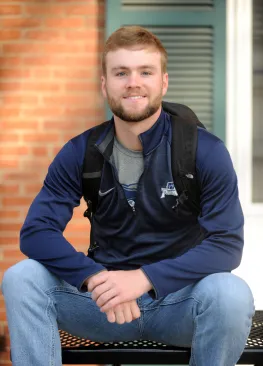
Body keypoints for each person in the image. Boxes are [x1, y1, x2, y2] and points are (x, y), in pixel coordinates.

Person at [1, 26, 255, 366]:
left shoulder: (204, 151)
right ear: (105, 84)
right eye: (121, 73)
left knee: (231, 294)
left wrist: (143, 279)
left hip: (178, 306)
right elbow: (36, 233)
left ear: (163, 82)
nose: (133, 82)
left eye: (145, 72)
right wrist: (96, 279)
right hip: (103, 306)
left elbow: (226, 244)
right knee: (22, 278)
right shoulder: (80, 152)